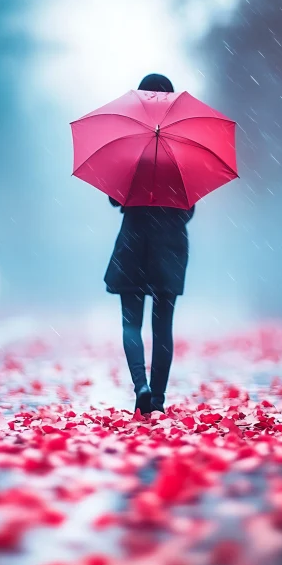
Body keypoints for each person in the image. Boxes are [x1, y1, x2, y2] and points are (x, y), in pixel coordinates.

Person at [104, 73, 195, 415]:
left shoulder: (128, 146)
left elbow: (116, 201)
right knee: (163, 327)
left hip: (133, 243)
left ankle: (140, 385)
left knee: (131, 323)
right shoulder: (184, 150)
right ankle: (157, 399)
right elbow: (189, 208)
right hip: (170, 246)